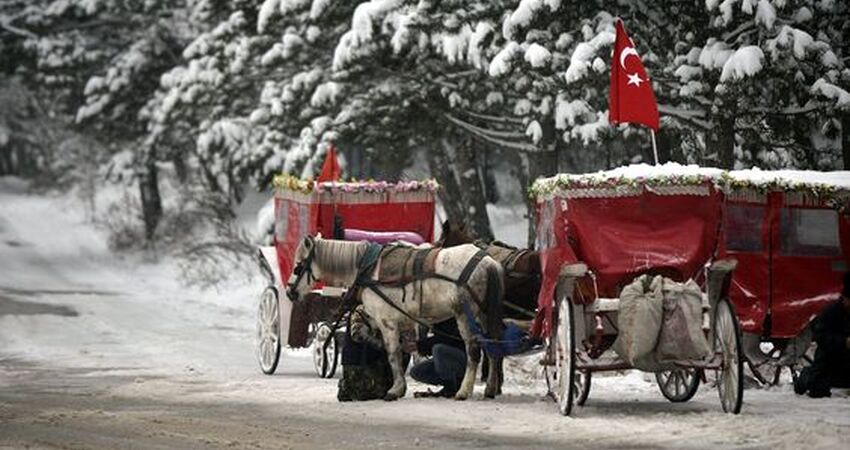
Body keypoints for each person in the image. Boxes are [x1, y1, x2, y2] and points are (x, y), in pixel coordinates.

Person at [794, 272, 850, 398]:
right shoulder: (831, 313)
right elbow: (821, 337)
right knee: (818, 388)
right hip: (831, 361)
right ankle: (806, 375)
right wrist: (844, 342)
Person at [407, 319, 467, 398]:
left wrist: (419, 346)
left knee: (438, 349)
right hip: (445, 359)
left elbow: (446, 339)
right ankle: (452, 382)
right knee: (416, 371)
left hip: (460, 357)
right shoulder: (437, 320)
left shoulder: (450, 318)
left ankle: (451, 386)